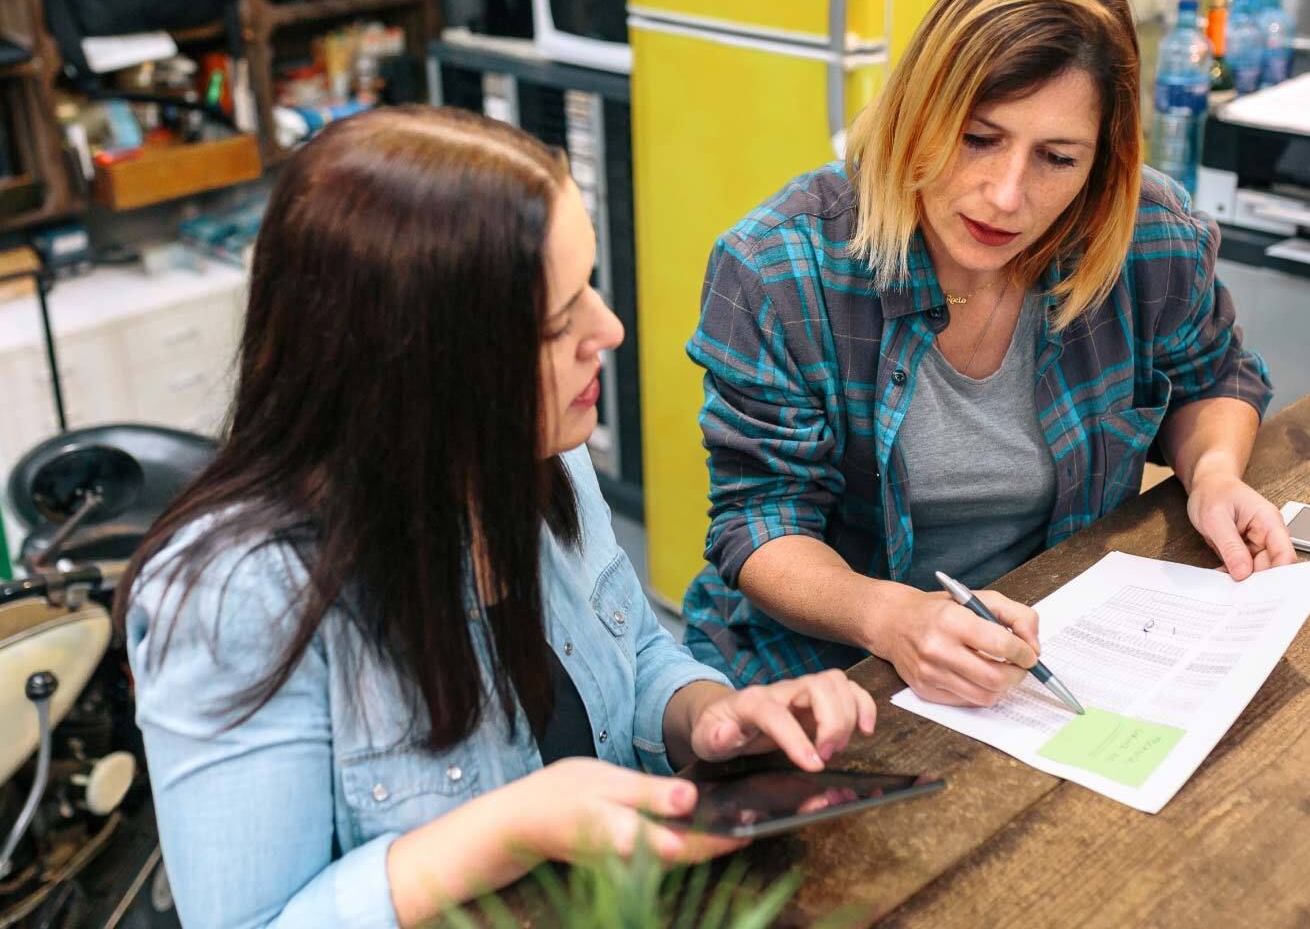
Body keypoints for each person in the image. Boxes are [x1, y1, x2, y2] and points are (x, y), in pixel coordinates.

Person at [116, 107, 875, 928]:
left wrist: (706, 714)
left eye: (590, 284)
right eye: (558, 322)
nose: (609, 331)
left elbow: (636, 649)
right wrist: (511, 828)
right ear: (418, 362)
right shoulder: (239, 601)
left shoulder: (541, 455)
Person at [682, 0, 1296, 701]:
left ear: (1104, 160)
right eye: (978, 138)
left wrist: (1213, 475)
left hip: (1047, 656)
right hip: (818, 677)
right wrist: (890, 617)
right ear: (917, 107)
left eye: (1057, 158)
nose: (1006, 195)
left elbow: (1213, 376)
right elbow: (761, 521)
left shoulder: (1148, 234)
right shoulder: (781, 267)